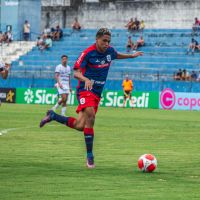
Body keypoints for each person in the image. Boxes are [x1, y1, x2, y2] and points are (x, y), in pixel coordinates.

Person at [39, 28, 143, 168]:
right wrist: (85, 79)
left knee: (80, 126)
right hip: (85, 90)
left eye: (108, 41)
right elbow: (75, 73)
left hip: (97, 93)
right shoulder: (87, 53)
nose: (106, 44)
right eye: (104, 41)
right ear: (97, 39)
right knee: (91, 115)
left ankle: (53, 115)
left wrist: (131, 56)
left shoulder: (110, 51)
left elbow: (117, 55)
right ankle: (90, 156)